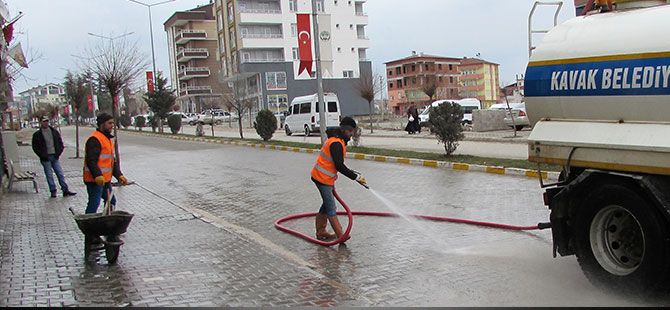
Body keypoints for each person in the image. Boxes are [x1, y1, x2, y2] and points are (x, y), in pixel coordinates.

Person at [311, 117, 366, 242]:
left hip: (325, 178)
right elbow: (339, 166)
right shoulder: (336, 143)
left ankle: (321, 231)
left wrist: (355, 175)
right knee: (331, 207)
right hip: (322, 178)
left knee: (326, 204)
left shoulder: (338, 140)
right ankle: (341, 235)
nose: (352, 134)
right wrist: (355, 177)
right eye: (351, 131)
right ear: (345, 130)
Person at [84, 113, 128, 214]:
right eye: (109, 123)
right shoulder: (95, 139)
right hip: (95, 180)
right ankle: (89, 224)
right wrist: (98, 175)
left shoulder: (107, 139)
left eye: (113, 123)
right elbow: (91, 160)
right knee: (94, 203)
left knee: (111, 201)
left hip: (105, 179)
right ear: (102, 124)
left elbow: (111, 161)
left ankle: (107, 221)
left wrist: (119, 175)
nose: (112, 125)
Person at [32, 116, 77, 198]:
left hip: (54, 156)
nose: (46, 123)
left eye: (47, 121)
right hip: (45, 158)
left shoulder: (53, 131)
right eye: (44, 121)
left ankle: (65, 189)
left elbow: (60, 142)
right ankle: (53, 190)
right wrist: (42, 155)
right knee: (49, 175)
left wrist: (58, 153)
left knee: (60, 173)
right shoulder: (37, 135)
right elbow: (35, 147)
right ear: (41, 122)